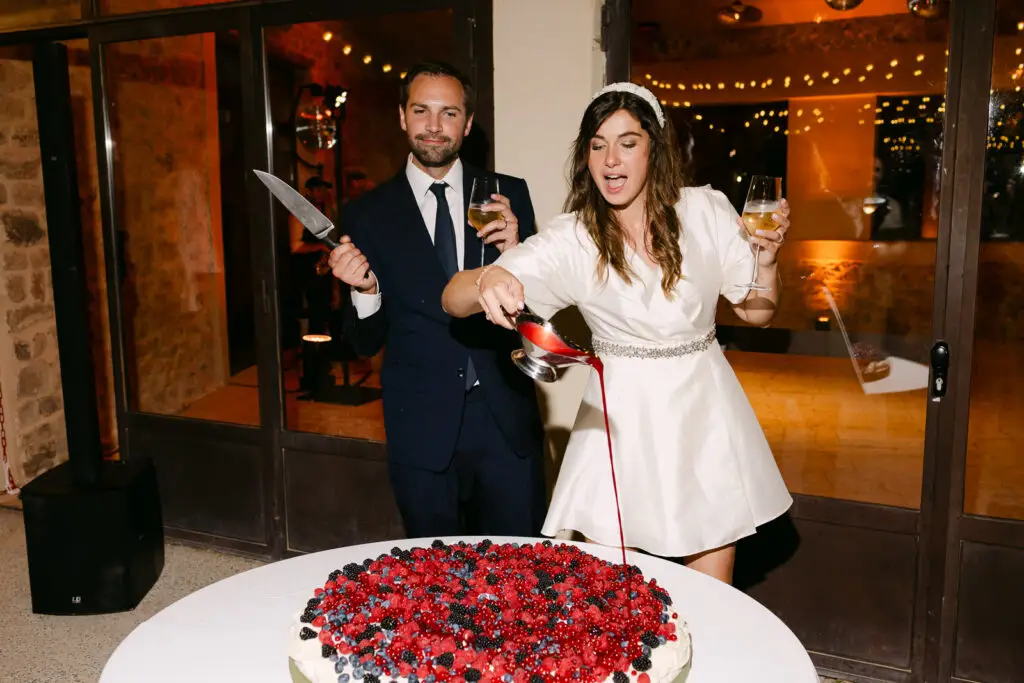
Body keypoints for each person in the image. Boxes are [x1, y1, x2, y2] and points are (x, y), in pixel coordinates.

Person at [441, 82, 794, 584]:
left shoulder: (706, 211)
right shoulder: (575, 237)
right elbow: (452, 299)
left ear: (654, 147)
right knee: (611, 595)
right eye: (598, 144)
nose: (611, 160)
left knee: (714, 596)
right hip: (619, 421)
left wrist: (767, 257)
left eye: (628, 142)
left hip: (704, 416)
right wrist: (487, 277)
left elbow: (759, 311)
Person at [327, 61, 547, 540]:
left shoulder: (507, 197)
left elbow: (538, 318)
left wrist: (517, 253)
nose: (433, 126)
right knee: (434, 577)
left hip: (505, 418)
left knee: (521, 573)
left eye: (448, 113)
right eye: (421, 110)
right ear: (402, 117)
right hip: (420, 424)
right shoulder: (368, 214)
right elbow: (363, 343)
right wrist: (366, 293)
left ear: (467, 124)